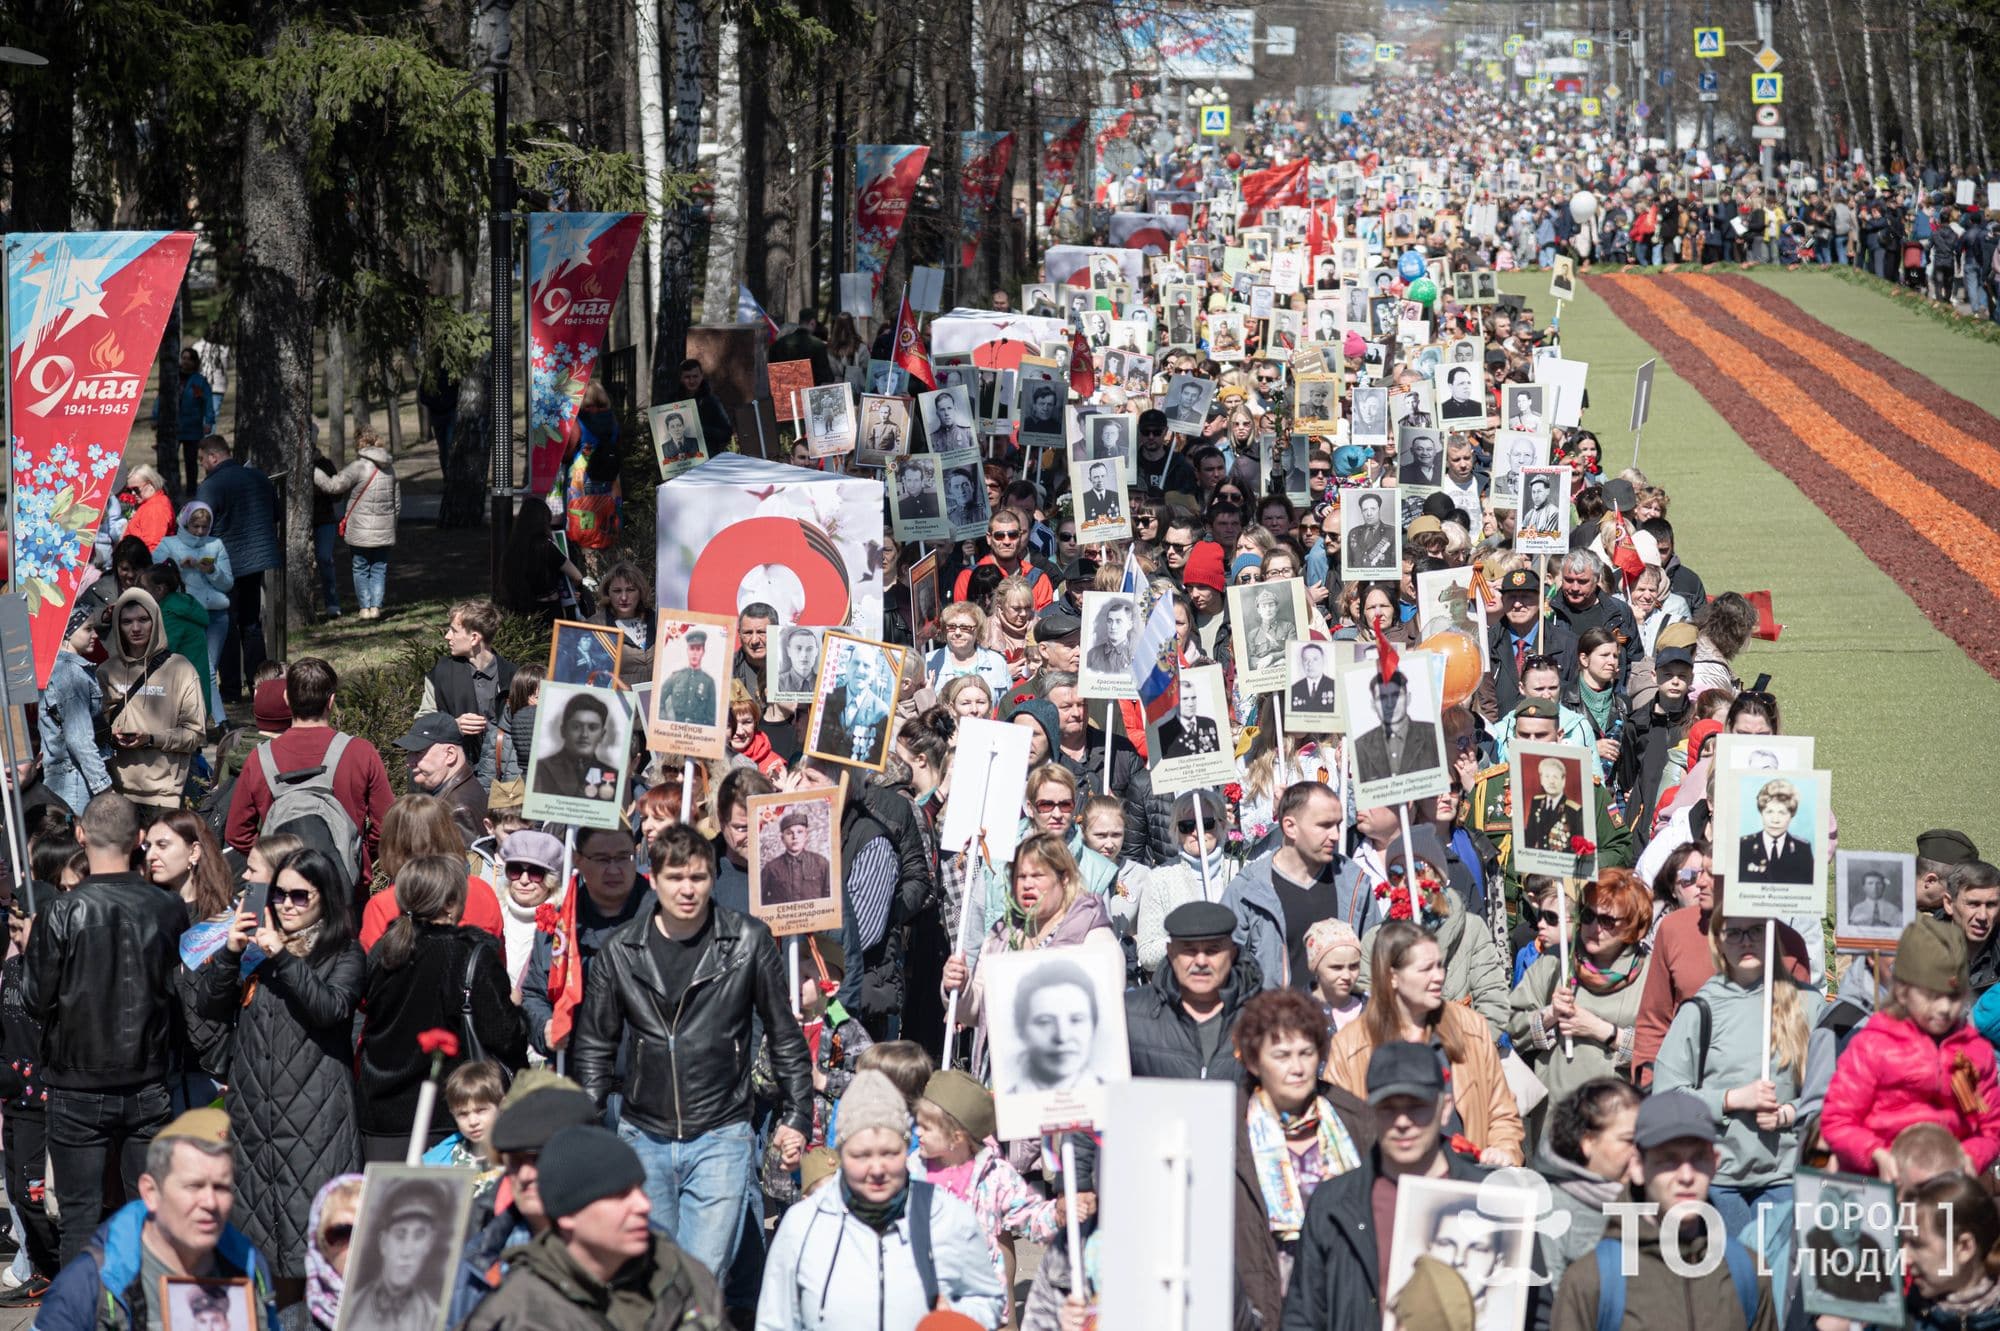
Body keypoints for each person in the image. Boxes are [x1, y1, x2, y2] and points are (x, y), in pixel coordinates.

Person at [570, 825, 811, 1277]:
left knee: (701, 1275)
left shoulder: (747, 941)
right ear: (654, 878)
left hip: (721, 1133)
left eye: (698, 878)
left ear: (712, 880)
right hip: (644, 1133)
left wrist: (797, 1114)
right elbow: (594, 1047)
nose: (687, 889)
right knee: (650, 1277)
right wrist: (585, 1123)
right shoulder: (621, 952)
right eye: (676, 877)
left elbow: (784, 1032)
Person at [24, 793, 189, 1265]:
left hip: (79, 1083)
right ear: (138, 841)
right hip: (146, 1078)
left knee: (80, 1218)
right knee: (147, 1215)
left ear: (81, 835)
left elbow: (37, 999)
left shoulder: (63, 912)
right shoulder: (167, 908)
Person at [193, 848, 364, 1291]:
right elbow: (209, 1007)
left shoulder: (343, 952)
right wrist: (231, 953)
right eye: (279, 894)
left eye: (299, 896)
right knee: (261, 1256)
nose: (286, 905)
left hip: (315, 1126)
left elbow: (330, 1009)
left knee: (313, 1259)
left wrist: (284, 960)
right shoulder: (257, 951)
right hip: (254, 1124)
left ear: (324, 898)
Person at [1281, 1041, 1512, 1331]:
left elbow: (1533, 1314)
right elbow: (1302, 1318)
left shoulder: (1492, 1202)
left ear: (1445, 1108)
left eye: (1417, 1107)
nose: (1402, 1122)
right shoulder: (1333, 1204)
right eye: (1388, 1108)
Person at [1653, 907, 1824, 1297]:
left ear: (1773, 935)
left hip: (1784, 1175)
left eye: (1755, 931)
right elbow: (1666, 1096)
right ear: (1718, 940)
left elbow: (1831, 1091)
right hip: (1721, 1180)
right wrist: (1730, 1099)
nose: (1746, 941)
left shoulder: (1809, 1005)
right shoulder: (1702, 1008)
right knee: (1735, 1288)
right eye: (1734, 933)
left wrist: (1789, 1112)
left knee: (1778, 1288)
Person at [756, 1069, 1005, 1328]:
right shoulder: (801, 1225)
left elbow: (986, 1299)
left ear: (907, 1147)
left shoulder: (949, 1216)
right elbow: (774, 1322)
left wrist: (955, 1318)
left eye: (889, 1153)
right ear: (841, 1151)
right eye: (861, 1155)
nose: (876, 1170)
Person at [1548, 1090, 1778, 1331]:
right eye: (1669, 1160)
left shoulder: (1746, 1272)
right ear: (1637, 1167)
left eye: (1698, 1158)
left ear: (1715, 1163)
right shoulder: (1593, 1281)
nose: (1686, 1176)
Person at [460, 1122, 725, 1331]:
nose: (643, 1205)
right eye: (618, 1195)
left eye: (638, 1189)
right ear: (567, 1214)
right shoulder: (518, 1313)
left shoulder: (679, 1270)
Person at [36, 1113, 280, 1331]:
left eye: (221, 1187)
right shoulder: (90, 1282)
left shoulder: (248, 1262)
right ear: (151, 1193)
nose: (210, 1202)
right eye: (193, 1186)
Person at [357, 855, 527, 1159]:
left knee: (389, 1206)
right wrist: (516, 1010)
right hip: (451, 1115)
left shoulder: (385, 949)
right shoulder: (471, 955)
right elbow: (504, 1035)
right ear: (451, 903)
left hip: (379, 1114)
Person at [1327, 919, 1524, 1165]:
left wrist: (1503, 1150)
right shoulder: (1350, 1046)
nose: (1438, 977)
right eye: (1425, 969)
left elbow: (1502, 1112)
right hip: (1390, 1189)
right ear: (1392, 977)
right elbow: (1337, 1136)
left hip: (1467, 1183)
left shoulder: (1471, 1027)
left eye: (1440, 966)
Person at [1825, 916, 2000, 1177]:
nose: (1943, 1008)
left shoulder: (1975, 1052)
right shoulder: (1873, 1045)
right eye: (1932, 996)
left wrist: (1970, 1157)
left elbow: (1990, 1127)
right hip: (1882, 1183)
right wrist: (1873, 1153)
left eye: (1953, 996)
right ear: (1903, 991)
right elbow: (1837, 1119)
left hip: (1948, 1185)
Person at [1235, 987, 1366, 1311]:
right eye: (1281, 1055)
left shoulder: (1356, 1120)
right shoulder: (1231, 1129)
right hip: (1265, 1300)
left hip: (1343, 1297)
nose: (1297, 1068)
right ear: (1254, 1061)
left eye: (1306, 1053)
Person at [1507, 871, 1652, 1146]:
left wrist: (1602, 1031)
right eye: (1588, 916)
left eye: (1607, 920)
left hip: (1617, 1120)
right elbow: (1513, 1024)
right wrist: (1549, 1015)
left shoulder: (1650, 972)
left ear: (1633, 925)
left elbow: (1663, 1051)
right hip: (1557, 1114)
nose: (1595, 927)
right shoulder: (1555, 962)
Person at [225, 657, 392, 886]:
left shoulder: (260, 758)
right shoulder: (361, 752)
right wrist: (358, 856)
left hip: (283, 894)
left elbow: (236, 833)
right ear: (331, 701)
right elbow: (387, 826)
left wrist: (274, 862)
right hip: (346, 889)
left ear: (286, 698)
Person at [1224, 782, 1377, 991]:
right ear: (1290, 827)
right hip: (1277, 1018)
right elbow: (1227, 971)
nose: (1335, 835)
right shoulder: (1248, 889)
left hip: (1344, 1019)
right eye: (1324, 825)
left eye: (1338, 825)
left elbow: (1374, 958)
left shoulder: (1353, 881)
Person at [97, 587, 206, 815]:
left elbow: (195, 735)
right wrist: (112, 735)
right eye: (127, 622)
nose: (136, 628)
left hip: (166, 796)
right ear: (117, 626)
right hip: (117, 793)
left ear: (155, 620)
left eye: (143, 620)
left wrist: (151, 739)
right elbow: (94, 732)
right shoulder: (106, 672)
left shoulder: (181, 668)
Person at [1534, 1079, 1643, 1291]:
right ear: (1588, 1142)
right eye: (1629, 1141)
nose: (1639, 1152)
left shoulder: (1653, 1199)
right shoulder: (1550, 1208)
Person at [193, 436, 280, 702]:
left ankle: (230, 690)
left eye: (201, 461)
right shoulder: (258, 478)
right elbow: (275, 513)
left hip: (224, 566)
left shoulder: (211, 486)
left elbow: (199, 528)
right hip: (256, 561)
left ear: (213, 457)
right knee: (251, 624)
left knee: (226, 625)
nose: (202, 466)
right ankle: (259, 686)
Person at [153, 500, 235, 716]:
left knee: (208, 669)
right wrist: (179, 565)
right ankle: (211, 719)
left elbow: (227, 584)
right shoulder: (169, 543)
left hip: (216, 614)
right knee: (193, 668)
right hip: (186, 616)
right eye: (195, 526)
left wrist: (212, 571)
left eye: (204, 527)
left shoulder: (215, 545)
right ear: (185, 522)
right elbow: (155, 576)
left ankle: (209, 719)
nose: (199, 532)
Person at [312, 430, 400, 619]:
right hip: (385, 530)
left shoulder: (358, 467)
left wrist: (314, 472)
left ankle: (364, 608)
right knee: (379, 567)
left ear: (360, 444)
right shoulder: (390, 468)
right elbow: (397, 502)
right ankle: (376, 607)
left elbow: (333, 486)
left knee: (360, 567)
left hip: (360, 528)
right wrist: (390, 523)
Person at [40, 606, 113, 818]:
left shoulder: (54, 667)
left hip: (61, 776)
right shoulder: (71, 673)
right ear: (67, 631)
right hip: (74, 779)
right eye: (88, 628)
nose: (95, 634)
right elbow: (78, 738)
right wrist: (104, 788)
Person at [395, 713, 490, 847]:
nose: (409, 762)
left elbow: (464, 866)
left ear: (450, 754)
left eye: (418, 752)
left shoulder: (459, 811)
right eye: (409, 753)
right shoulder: (457, 793)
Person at [530, 691, 623, 803]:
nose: (584, 734)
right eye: (576, 726)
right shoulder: (541, 768)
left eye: (592, 728)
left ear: (602, 735)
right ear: (563, 730)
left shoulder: (614, 776)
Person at [812, 643, 895, 767]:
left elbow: (876, 757)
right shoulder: (826, 699)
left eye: (866, 666)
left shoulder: (881, 712)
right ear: (848, 666)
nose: (860, 670)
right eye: (856, 663)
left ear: (874, 672)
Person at [1353, 669, 1441, 783]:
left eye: (1396, 695)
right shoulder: (1360, 747)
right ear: (1373, 705)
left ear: (1408, 698)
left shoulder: (1434, 735)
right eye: (1382, 698)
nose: (1390, 704)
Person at [1737, 778, 1814, 882]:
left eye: (1782, 813)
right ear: (1761, 812)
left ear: (1791, 815)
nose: (1775, 820)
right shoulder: (1744, 846)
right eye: (1769, 812)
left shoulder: (1802, 849)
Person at [762, 809, 830, 905]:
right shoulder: (771, 868)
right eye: (789, 833)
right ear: (782, 838)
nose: (795, 837)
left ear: (806, 835)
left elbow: (830, 897)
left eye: (799, 832)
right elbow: (760, 901)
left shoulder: (821, 863)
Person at [1522, 755, 1584, 854]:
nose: (1551, 781)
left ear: (1563, 781)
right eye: (1547, 776)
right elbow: (1530, 837)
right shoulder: (1537, 802)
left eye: (1555, 777)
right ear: (1541, 780)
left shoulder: (1574, 810)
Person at [1155, 674, 1220, 759]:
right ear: (1175, 702)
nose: (1191, 704)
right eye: (1185, 699)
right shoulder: (1164, 732)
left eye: (1193, 698)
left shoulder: (1210, 724)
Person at [1344, 493, 1395, 569]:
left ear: (1379, 509)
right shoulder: (1353, 533)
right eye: (1365, 510)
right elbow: (1348, 563)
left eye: (1373, 509)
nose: (1369, 514)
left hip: (1382, 579)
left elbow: (1394, 564)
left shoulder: (1392, 532)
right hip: (1357, 579)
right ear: (1361, 512)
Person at [1289, 642, 1338, 712]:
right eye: (1306, 660)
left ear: (1323, 660)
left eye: (1315, 659)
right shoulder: (1294, 689)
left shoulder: (1335, 686)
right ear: (1302, 662)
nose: (1310, 664)